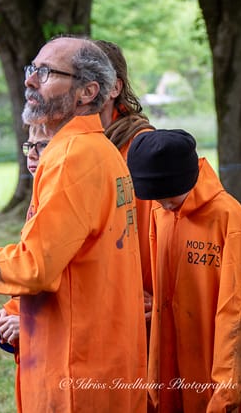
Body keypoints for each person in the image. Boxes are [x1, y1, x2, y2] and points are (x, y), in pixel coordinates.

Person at [0, 36, 147, 412]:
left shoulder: (72, 156)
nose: (30, 81)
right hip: (99, 355)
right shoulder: (99, 148)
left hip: (76, 368)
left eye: (47, 72)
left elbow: (36, 266)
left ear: (88, 91)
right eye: (31, 69)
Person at [127, 129, 241, 412]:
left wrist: (226, 393)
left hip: (218, 374)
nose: (162, 203)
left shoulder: (228, 218)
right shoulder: (161, 214)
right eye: (156, 198)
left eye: (169, 196)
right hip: (173, 370)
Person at [94, 39, 155, 318]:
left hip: (136, 305)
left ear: (115, 88)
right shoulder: (70, 146)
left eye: (90, 79)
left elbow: (162, 229)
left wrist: (157, 296)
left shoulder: (143, 147)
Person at [0, 123, 53, 353]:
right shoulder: (39, 196)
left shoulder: (61, 201)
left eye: (42, 145)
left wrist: (33, 323)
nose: (32, 154)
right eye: (29, 146)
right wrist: (12, 311)